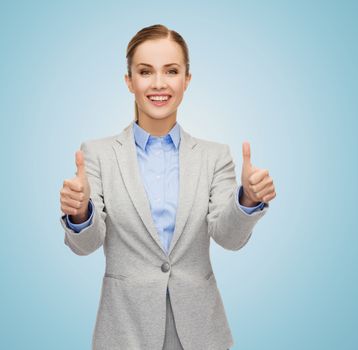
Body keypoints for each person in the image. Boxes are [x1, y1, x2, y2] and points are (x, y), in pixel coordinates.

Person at [59, 24, 276, 350]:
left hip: (201, 332)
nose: (159, 83)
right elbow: (86, 245)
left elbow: (229, 238)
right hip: (124, 331)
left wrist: (247, 198)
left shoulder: (214, 156)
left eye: (171, 71)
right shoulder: (98, 154)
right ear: (129, 81)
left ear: (186, 80)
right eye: (145, 72)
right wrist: (80, 213)